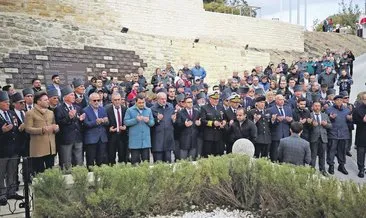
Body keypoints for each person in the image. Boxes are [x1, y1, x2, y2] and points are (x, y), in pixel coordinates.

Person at [25, 91, 59, 174]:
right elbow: (28, 129)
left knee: (51, 172)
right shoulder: (30, 113)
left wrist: (56, 128)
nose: (48, 101)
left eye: (48, 99)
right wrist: (42, 130)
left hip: (51, 147)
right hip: (38, 148)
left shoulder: (50, 112)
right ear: (38, 101)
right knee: (39, 173)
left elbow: (54, 125)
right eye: (45, 100)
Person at [0, 91, 24, 205]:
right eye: (5, 102)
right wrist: (2, 130)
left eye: (8, 102)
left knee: (12, 171)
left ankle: (11, 191)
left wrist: (19, 128)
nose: (7, 104)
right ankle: (2, 194)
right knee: (1, 172)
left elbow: (15, 128)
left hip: (14, 148)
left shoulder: (11, 113)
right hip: (2, 149)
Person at [55, 86, 85, 171]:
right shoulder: (59, 109)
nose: (74, 96)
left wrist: (81, 120)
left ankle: (79, 177)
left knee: (79, 161)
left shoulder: (77, 107)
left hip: (78, 137)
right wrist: (69, 117)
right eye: (71, 95)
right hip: (66, 139)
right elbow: (59, 123)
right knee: (66, 162)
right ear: (65, 97)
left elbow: (79, 122)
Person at [124, 94, 155, 164]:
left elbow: (152, 123)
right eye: (139, 103)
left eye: (143, 103)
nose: (141, 104)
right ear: (136, 102)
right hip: (134, 143)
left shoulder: (148, 110)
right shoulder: (130, 110)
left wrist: (148, 121)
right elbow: (126, 122)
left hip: (146, 142)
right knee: (135, 164)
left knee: (146, 163)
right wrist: (135, 120)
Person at [326, 95, 352, 175]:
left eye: (341, 100)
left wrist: (350, 119)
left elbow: (351, 123)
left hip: (344, 133)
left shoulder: (347, 110)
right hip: (333, 133)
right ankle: (331, 165)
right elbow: (325, 121)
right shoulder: (329, 109)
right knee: (331, 150)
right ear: (334, 101)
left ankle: (341, 165)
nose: (339, 101)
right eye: (337, 100)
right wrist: (330, 118)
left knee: (342, 151)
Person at [83, 93, 109, 169]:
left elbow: (107, 122)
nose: (97, 102)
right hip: (91, 139)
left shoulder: (103, 109)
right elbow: (85, 124)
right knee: (90, 161)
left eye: (99, 100)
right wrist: (96, 122)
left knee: (101, 160)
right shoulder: (85, 110)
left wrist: (105, 121)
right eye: (94, 100)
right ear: (90, 101)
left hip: (102, 138)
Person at [150, 92, 176, 163]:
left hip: (168, 139)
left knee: (168, 163)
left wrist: (174, 120)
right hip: (157, 140)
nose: (164, 100)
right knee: (158, 163)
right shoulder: (152, 109)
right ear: (157, 99)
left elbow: (173, 122)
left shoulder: (170, 107)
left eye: (165, 99)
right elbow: (150, 124)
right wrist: (157, 119)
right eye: (162, 99)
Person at [268, 94, 293, 162]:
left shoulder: (288, 109)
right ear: (276, 101)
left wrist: (290, 120)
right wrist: (276, 120)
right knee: (274, 155)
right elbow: (269, 124)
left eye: (283, 99)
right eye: (280, 99)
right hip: (276, 136)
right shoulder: (270, 110)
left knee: (284, 155)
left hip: (286, 135)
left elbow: (292, 121)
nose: (282, 101)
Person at [200, 91, 225, 157]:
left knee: (218, 155)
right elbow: (203, 121)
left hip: (219, 135)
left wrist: (224, 122)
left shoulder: (221, 107)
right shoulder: (204, 108)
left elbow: (224, 118)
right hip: (209, 136)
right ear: (210, 99)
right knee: (208, 156)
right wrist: (213, 123)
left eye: (217, 99)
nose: (216, 100)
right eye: (214, 99)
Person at [310, 101, 332, 176]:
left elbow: (330, 126)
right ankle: (311, 169)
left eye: (318, 106)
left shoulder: (325, 115)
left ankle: (322, 169)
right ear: (312, 107)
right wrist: (311, 124)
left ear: (321, 107)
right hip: (313, 137)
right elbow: (306, 127)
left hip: (323, 138)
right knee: (313, 155)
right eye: (315, 106)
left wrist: (326, 124)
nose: (317, 107)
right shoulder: (310, 115)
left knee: (322, 155)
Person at [105, 93, 128, 164]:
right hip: (112, 136)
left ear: (121, 100)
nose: (117, 101)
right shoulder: (107, 110)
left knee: (123, 156)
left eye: (119, 100)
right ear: (112, 101)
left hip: (122, 135)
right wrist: (109, 129)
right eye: (115, 100)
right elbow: (105, 124)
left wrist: (126, 127)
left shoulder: (125, 109)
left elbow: (128, 121)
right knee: (111, 157)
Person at [353, 92, 366, 178]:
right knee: (361, 152)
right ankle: (361, 168)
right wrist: (362, 120)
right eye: (365, 99)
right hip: (362, 134)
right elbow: (354, 120)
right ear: (362, 100)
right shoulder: (358, 109)